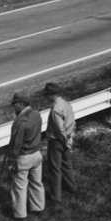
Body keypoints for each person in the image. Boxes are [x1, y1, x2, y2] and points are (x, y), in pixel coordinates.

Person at [8, 92, 45, 220]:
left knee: (20, 186)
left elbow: (16, 144)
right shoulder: (36, 113)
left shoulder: (20, 121)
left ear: (21, 104)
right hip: (37, 154)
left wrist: (11, 161)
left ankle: (20, 215)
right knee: (36, 182)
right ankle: (38, 208)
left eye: (15, 104)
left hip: (24, 157)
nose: (14, 107)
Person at [43, 84, 78, 212]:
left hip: (57, 141)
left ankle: (55, 197)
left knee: (54, 168)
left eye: (46, 95)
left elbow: (59, 128)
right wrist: (70, 138)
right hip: (68, 138)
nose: (46, 97)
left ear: (52, 95)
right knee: (66, 163)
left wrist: (64, 141)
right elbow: (73, 123)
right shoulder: (66, 104)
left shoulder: (56, 109)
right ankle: (72, 187)